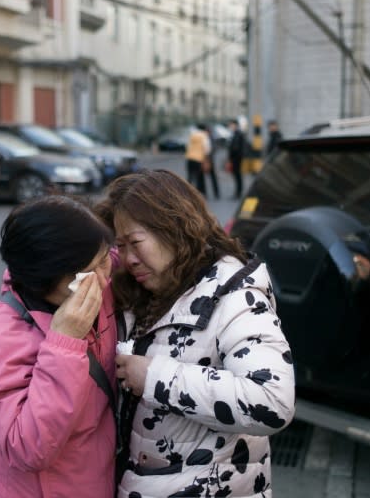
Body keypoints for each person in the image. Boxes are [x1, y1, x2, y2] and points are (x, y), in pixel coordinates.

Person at [96, 169, 295, 498]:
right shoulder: (147, 288)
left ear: (173, 228)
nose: (129, 259)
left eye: (135, 243)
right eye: (121, 246)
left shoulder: (235, 297)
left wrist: (156, 378)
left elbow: (273, 402)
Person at [0, 195, 118, 498]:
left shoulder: (97, 283)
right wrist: (65, 342)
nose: (104, 277)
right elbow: (26, 447)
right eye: (89, 271)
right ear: (42, 278)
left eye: (104, 260)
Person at [184, 124, 210, 195]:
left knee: (190, 175)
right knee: (199, 176)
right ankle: (200, 192)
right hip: (199, 158)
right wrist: (206, 159)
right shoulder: (204, 135)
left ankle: (187, 191)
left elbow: (187, 146)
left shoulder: (192, 135)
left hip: (190, 157)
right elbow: (207, 149)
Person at [228, 119, 247, 199]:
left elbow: (235, 148)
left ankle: (238, 192)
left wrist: (231, 157)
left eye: (231, 125)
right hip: (237, 158)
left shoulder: (238, 134)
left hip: (236, 158)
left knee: (237, 175)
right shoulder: (236, 134)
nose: (230, 126)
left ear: (235, 125)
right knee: (237, 175)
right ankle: (238, 191)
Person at [204, 126, 220, 200]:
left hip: (209, 160)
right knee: (204, 178)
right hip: (205, 160)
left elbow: (213, 149)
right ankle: (204, 193)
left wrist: (208, 156)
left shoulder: (211, 139)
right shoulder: (205, 138)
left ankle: (216, 193)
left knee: (213, 177)